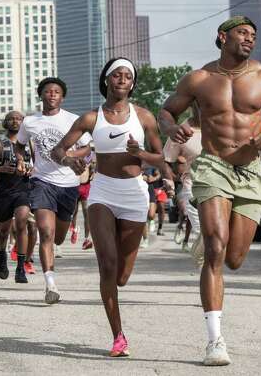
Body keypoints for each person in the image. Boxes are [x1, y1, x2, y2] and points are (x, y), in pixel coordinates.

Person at [159, 16, 261, 366]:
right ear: (223, 37)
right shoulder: (200, 79)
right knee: (217, 249)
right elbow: (167, 111)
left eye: (253, 35)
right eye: (242, 33)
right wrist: (172, 128)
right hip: (213, 166)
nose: (249, 39)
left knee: (234, 259)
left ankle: (211, 240)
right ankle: (215, 341)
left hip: (250, 171)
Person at [53, 57, 174, 357]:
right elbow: (58, 150)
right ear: (106, 80)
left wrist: (143, 155)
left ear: (132, 84)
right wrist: (70, 160)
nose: (122, 80)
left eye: (127, 77)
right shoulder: (91, 119)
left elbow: (163, 156)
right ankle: (118, 336)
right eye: (116, 75)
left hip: (134, 194)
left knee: (121, 276)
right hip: (103, 193)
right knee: (107, 267)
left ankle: (118, 305)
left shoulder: (144, 117)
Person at [16, 77, 92, 305]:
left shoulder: (73, 120)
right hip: (42, 181)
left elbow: (87, 146)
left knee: (58, 236)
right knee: (45, 233)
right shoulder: (30, 121)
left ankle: (63, 234)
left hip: (68, 185)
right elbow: (19, 144)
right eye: (47, 91)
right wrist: (21, 160)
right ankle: (50, 285)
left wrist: (71, 158)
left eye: (56, 91)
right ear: (41, 95)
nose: (51, 95)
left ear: (62, 96)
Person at [0, 111, 33, 282]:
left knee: (21, 223)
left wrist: (32, 169)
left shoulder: (30, 143)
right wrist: (0, 169)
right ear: (6, 122)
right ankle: (1, 255)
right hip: (4, 192)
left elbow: (40, 164)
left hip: (23, 191)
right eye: (11, 119)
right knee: (4, 230)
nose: (15, 121)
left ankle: (21, 267)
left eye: (19, 119)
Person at [163, 101, 203, 251]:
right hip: (191, 187)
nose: (203, 108)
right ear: (191, 106)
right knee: (201, 230)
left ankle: (207, 261)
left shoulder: (218, 128)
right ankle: (206, 264)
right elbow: (166, 160)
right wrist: (169, 182)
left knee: (216, 234)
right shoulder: (181, 131)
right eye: (200, 103)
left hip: (219, 187)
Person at [71, 160, 95, 250]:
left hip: (86, 187)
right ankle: (74, 230)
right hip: (75, 187)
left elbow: (94, 171)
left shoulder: (90, 161)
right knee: (74, 212)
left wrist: (93, 172)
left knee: (86, 212)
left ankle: (86, 238)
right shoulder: (75, 159)